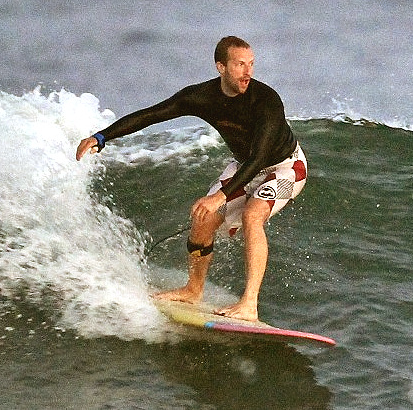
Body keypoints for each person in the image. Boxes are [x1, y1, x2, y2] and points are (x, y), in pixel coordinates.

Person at [76, 36, 307, 321]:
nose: (248, 72)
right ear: (221, 67)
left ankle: (249, 303)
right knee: (201, 220)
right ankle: (193, 290)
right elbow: (154, 114)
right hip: (245, 165)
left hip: (284, 167)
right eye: (239, 65)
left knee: (252, 215)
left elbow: (260, 157)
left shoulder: (266, 101)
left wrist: (220, 197)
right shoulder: (202, 96)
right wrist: (102, 136)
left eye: (251, 64)